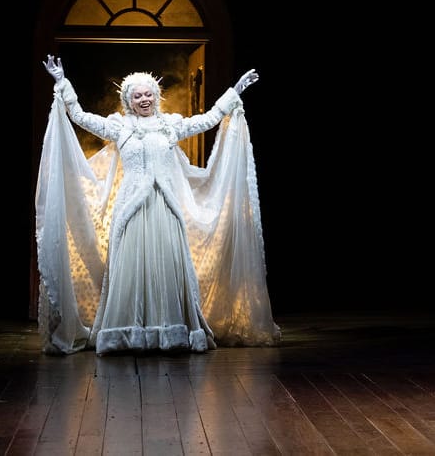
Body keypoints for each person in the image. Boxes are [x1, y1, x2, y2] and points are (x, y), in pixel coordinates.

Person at [35, 54, 281, 355]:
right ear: (128, 99)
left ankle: (171, 332)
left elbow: (207, 119)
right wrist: (62, 82)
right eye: (137, 95)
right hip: (132, 210)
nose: (143, 99)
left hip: (165, 208)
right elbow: (81, 116)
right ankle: (127, 333)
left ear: (157, 95)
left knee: (167, 265)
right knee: (132, 267)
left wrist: (235, 92)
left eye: (148, 94)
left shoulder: (170, 126)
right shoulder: (120, 127)